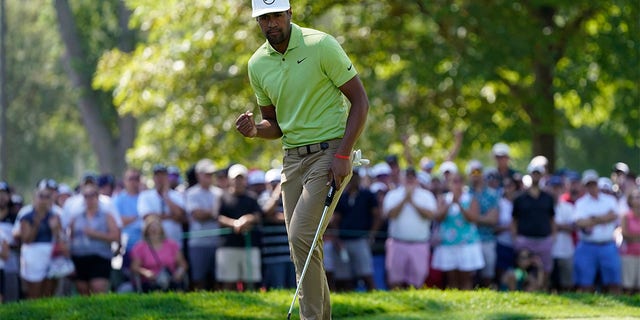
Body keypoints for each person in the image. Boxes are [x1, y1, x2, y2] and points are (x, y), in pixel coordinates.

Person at [235, 0, 369, 318]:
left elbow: (360, 102)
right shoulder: (257, 64)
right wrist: (255, 130)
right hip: (292, 160)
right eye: (263, 18)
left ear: (289, 14)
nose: (270, 24)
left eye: (276, 16)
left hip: (329, 152)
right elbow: (275, 125)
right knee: (305, 246)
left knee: (300, 236)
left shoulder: (321, 44)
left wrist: (343, 153)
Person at [382, 168, 437, 289]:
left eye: (412, 177)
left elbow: (430, 215)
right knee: (395, 281)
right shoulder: (393, 194)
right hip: (397, 243)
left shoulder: (426, 195)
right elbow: (390, 215)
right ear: (402, 178)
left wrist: (412, 201)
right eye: (407, 176)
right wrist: (405, 199)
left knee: (418, 281)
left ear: (416, 179)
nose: (410, 179)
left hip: (419, 244)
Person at [431, 173, 485, 290]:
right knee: (451, 278)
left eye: (459, 181)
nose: (457, 184)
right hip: (448, 244)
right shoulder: (444, 199)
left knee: (466, 277)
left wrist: (459, 204)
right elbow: (438, 217)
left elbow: (473, 218)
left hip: (467, 243)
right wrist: (449, 204)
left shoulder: (471, 199)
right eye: (454, 181)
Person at [330, 171, 381, 291]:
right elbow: (336, 219)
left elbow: (377, 216)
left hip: (361, 239)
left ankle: (375, 298)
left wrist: (372, 234)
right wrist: (337, 238)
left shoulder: (367, 195)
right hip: (344, 240)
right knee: (344, 277)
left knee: (366, 273)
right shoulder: (342, 196)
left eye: (356, 177)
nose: (354, 180)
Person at [573, 169, 621, 294]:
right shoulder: (581, 203)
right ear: (585, 186)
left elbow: (614, 216)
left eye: (593, 183)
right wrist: (603, 218)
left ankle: (613, 306)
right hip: (587, 245)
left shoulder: (609, 200)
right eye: (588, 184)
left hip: (607, 244)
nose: (591, 187)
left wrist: (592, 219)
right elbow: (580, 222)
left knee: (613, 281)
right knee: (585, 282)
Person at [216, 164, 262, 291]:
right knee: (229, 282)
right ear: (230, 180)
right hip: (228, 245)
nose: (238, 181)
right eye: (236, 178)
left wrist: (247, 219)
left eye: (241, 178)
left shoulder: (251, 198)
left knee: (250, 282)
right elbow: (219, 217)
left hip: (249, 245)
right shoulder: (223, 197)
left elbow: (258, 216)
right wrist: (235, 223)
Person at [69, 183, 120, 295]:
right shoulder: (76, 217)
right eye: (86, 196)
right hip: (79, 258)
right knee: (83, 292)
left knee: (98, 290)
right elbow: (69, 238)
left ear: (97, 197)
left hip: (100, 257)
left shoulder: (106, 216)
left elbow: (116, 236)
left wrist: (95, 234)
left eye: (92, 195)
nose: (89, 199)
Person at [511, 162, 556, 290]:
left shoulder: (548, 197)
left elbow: (552, 218)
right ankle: (523, 292)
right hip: (525, 239)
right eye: (534, 173)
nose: (536, 176)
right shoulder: (519, 197)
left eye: (538, 173)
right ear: (530, 174)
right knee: (523, 268)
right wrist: (515, 238)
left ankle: (542, 292)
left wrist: (553, 236)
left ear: (542, 175)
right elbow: (514, 220)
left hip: (544, 239)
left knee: (545, 269)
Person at [19, 182, 63, 299]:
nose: (44, 200)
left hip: (51, 256)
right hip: (33, 256)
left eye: (47, 197)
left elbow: (59, 239)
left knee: (49, 292)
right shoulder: (26, 216)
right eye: (41, 196)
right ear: (35, 198)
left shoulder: (55, 215)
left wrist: (55, 229)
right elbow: (26, 240)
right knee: (34, 292)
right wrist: (36, 225)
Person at [185, 159, 223, 291]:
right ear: (198, 175)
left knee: (218, 278)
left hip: (217, 241)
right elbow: (197, 215)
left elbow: (217, 214)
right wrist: (214, 213)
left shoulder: (219, 192)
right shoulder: (191, 193)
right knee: (198, 278)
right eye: (206, 174)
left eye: (211, 174)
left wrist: (209, 213)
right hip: (198, 243)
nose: (209, 177)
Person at [259, 167, 296, 290]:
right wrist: (276, 194)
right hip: (272, 255)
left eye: (278, 183)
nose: (276, 186)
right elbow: (267, 214)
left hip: (291, 254)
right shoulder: (264, 197)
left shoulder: (290, 197)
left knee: (293, 288)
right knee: (277, 289)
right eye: (273, 183)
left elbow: (295, 216)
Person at [130, 215, 188, 293]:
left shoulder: (172, 245)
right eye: (151, 227)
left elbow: (183, 264)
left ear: (161, 229)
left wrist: (179, 273)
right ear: (146, 230)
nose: (154, 229)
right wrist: (146, 273)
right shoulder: (140, 247)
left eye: (156, 226)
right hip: (150, 283)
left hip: (171, 281)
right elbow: (134, 267)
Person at [466, 160, 499, 288]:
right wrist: (481, 218)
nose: (475, 175)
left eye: (478, 171)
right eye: (472, 172)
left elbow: (493, 219)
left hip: (487, 239)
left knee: (488, 274)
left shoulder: (492, 194)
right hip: (469, 240)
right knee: (470, 274)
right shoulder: (466, 194)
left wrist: (472, 217)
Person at [138, 165, 186, 249]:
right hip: (152, 246)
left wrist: (166, 196)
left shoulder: (177, 195)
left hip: (175, 244)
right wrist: (171, 216)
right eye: (157, 176)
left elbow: (180, 215)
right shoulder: (145, 196)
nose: (160, 179)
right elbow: (148, 217)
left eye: (163, 175)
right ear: (153, 178)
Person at [548, 175, 576, 292]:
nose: (556, 190)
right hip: (549, 250)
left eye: (558, 187)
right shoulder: (544, 206)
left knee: (567, 282)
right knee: (549, 283)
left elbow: (573, 227)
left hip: (566, 250)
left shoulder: (568, 207)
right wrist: (561, 226)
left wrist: (555, 225)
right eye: (553, 187)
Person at [620, 189, 640, 294]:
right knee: (628, 286)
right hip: (629, 254)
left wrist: (634, 237)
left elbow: (631, 236)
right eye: (636, 197)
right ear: (630, 200)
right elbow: (625, 235)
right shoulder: (626, 216)